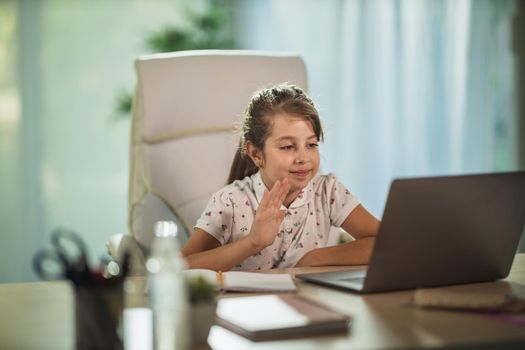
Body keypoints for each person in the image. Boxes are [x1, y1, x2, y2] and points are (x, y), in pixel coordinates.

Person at [181, 84, 380, 271]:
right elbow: (181, 266)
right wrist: (252, 242)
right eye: (287, 147)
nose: (303, 158)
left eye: (311, 145)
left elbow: (388, 243)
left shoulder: (328, 192)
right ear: (256, 154)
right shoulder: (230, 202)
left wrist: (315, 258)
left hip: (309, 304)